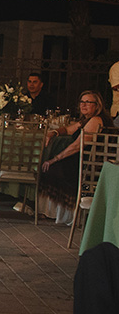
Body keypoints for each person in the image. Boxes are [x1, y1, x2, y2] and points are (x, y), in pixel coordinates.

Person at [37, 90, 110, 224]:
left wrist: (55, 159)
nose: (84, 105)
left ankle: (63, 214)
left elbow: (78, 145)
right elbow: (68, 129)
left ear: (97, 105)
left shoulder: (96, 120)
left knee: (50, 168)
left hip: (89, 166)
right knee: (48, 167)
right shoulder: (86, 120)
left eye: (88, 102)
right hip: (81, 160)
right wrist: (53, 132)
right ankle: (51, 212)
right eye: (82, 102)